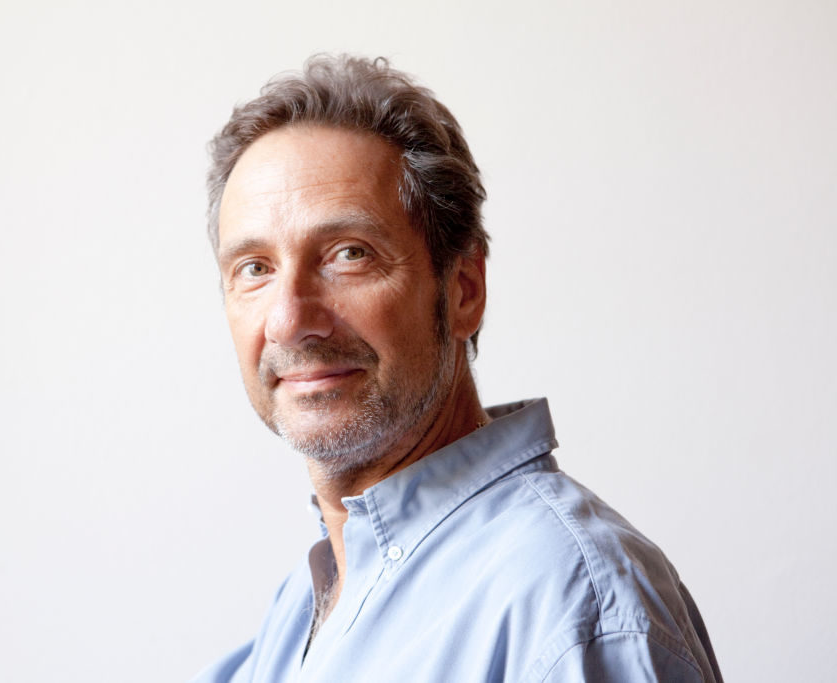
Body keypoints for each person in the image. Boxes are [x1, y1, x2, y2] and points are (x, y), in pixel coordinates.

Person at [193, 55, 722, 682]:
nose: (288, 320)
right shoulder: (301, 609)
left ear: (464, 289)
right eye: (254, 268)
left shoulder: (573, 603)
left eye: (348, 254)